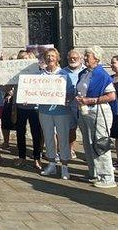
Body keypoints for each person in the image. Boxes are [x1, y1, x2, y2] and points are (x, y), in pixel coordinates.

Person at [75, 46, 118, 189]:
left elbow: (111, 96)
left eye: (88, 56)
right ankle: (94, 172)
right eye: (85, 55)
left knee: (100, 142)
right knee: (87, 142)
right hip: (84, 111)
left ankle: (107, 177)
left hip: (98, 111)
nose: (85, 58)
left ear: (97, 58)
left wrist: (90, 100)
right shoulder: (83, 73)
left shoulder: (102, 75)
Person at [37, 48, 75, 179]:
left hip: (61, 111)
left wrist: (68, 99)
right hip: (44, 110)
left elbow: (71, 91)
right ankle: (51, 164)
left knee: (63, 138)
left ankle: (65, 167)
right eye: (48, 56)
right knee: (48, 138)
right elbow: (34, 91)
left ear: (58, 58)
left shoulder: (63, 74)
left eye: (53, 56)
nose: (50, 58)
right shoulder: (40, 75)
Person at [13, 50, 43, 170]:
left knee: (36, 133)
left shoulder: (37, 73)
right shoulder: (17, 74)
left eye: (27, 59)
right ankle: (21, 156)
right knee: (20, 132)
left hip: (34, 107)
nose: (24, 62)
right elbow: (15, 91)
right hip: (21, 107)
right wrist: (14, 108)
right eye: (22, 59)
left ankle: (37, 157)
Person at [63, 49, 85, 158]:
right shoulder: (62, 72)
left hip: (83, 106)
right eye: (70, 58)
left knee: (86, 130)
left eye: (75, 58)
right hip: (68, 105)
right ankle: (71, 149)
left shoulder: (86, 71)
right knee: (70, 129)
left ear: (80, 59)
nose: (72, 60)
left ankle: (89, 152)